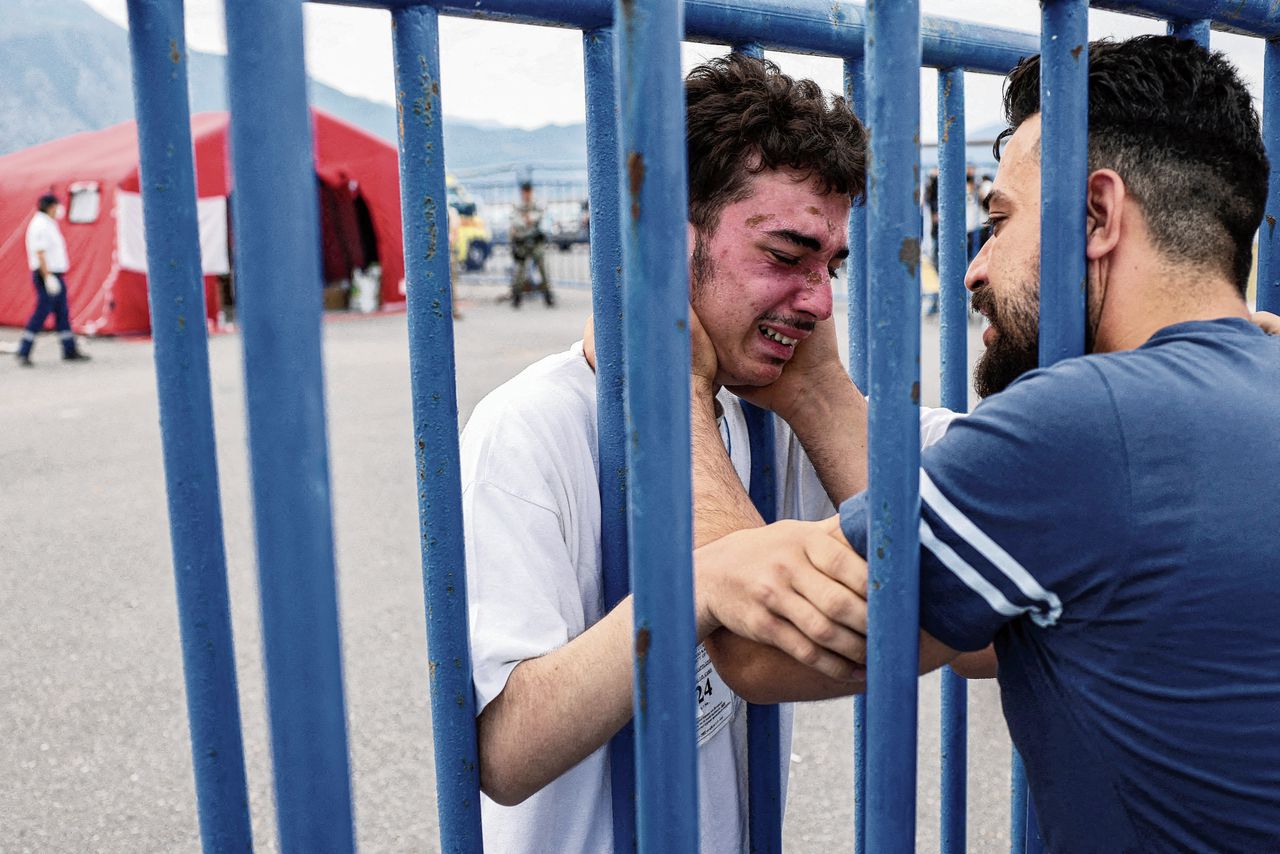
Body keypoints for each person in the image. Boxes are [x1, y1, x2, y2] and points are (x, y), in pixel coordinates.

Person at [701, 36, 1280, 850]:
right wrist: (819, 392)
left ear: (1098, 215)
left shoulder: (1085, 424)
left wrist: (671, 385)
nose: (975, 270)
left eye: (1000, 222)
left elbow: (754, 648)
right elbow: (980, 625)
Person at [460, 54, 959, 853]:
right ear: (663, 243)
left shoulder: (770, 414)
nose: (822, 299)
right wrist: (690, 592)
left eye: (831, 265)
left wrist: (822, 395)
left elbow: (960, 566)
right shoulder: (531, 427)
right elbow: (503, 753)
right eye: (786, 255)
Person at [16, 194, 89, 366]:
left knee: (62, 313)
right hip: (46, 275)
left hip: (55, 274)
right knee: (42, 311)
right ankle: (24, 350)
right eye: (57, 206)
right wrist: (47, 277)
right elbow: (40, 253)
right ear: (50, 207)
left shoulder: (49, 223)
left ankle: (69, 349)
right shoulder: (40, 225)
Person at [509, 181, 554, 307]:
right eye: (525, 192)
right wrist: (525, 221)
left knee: (542, 269)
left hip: (535, 242)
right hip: (522, 243)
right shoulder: (518, 206)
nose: (527, 195)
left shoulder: (536, 204)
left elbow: (541, 215)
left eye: (528, 192)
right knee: (520, 271)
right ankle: (516, 296)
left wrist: (530, 218)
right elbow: (515, 221)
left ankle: (547, 295)